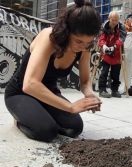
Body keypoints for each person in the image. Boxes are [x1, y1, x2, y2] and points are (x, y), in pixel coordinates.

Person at [4, 0, 102, 142]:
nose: (83, 46)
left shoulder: (84, 46)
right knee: (46, 131)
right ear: (67, 31)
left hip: (48, 93)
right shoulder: (49, 37)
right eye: (78, 41)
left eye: (88, 42)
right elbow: (30, 84)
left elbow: (85, 81)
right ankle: (20, 120)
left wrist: (90, 95)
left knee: (74, 128)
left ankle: (39, 115)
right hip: (20, 93)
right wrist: (70, 107)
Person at [98, 11, 127, 98]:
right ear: (109, 19)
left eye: (116, 20)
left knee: (116, 73)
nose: (114, 22)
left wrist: (114, 46)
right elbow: (101, 38)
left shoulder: (121, 28)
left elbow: (121, 39)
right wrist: (103, 46)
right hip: (106, 52)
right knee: (104, 72)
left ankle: (114, 90)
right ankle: (102, 90)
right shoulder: (104, 27)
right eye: (113, 20)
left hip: (117, 52)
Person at [120, 13, 132, 93]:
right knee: (122, 68)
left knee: (129, 68)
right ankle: (121, 86)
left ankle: (126, 87)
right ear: (128, 19)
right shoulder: (123, 27)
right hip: (124, 50)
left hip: (131, 51)